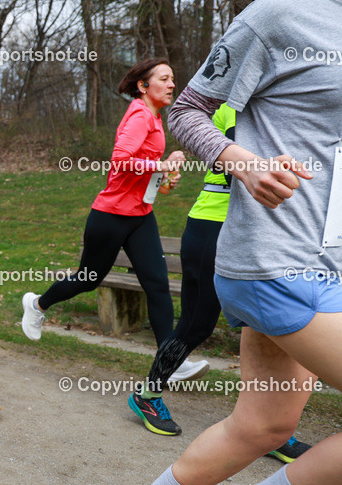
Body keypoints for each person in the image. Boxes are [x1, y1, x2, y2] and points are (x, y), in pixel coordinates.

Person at [111, 0, 342, 485]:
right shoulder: (282, 13)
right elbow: (189, 109)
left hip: (325, 260)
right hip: (272, 260)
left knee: (266, 420)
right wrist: (244, 162)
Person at [128, 104, 314, 460]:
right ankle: (147, 395)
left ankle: (268, 428)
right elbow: (237, 167)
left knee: (268, 327)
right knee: (197, 325)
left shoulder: (284, 107)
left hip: (259, 232)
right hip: (212, 227)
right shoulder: (232, 110)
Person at [20, 61, 208, 368]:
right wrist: (161, 165)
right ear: (144, 86)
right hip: (111, 215)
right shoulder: (139, 113)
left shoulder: (156, 118)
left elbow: (142, 172)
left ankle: (169, 362)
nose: (173, 84)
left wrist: (164, 182)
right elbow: (121, 160)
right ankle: (37, 304)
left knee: (158, 285)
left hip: (140, 215)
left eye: (173, 78)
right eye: (164, 79)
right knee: (87, 279)